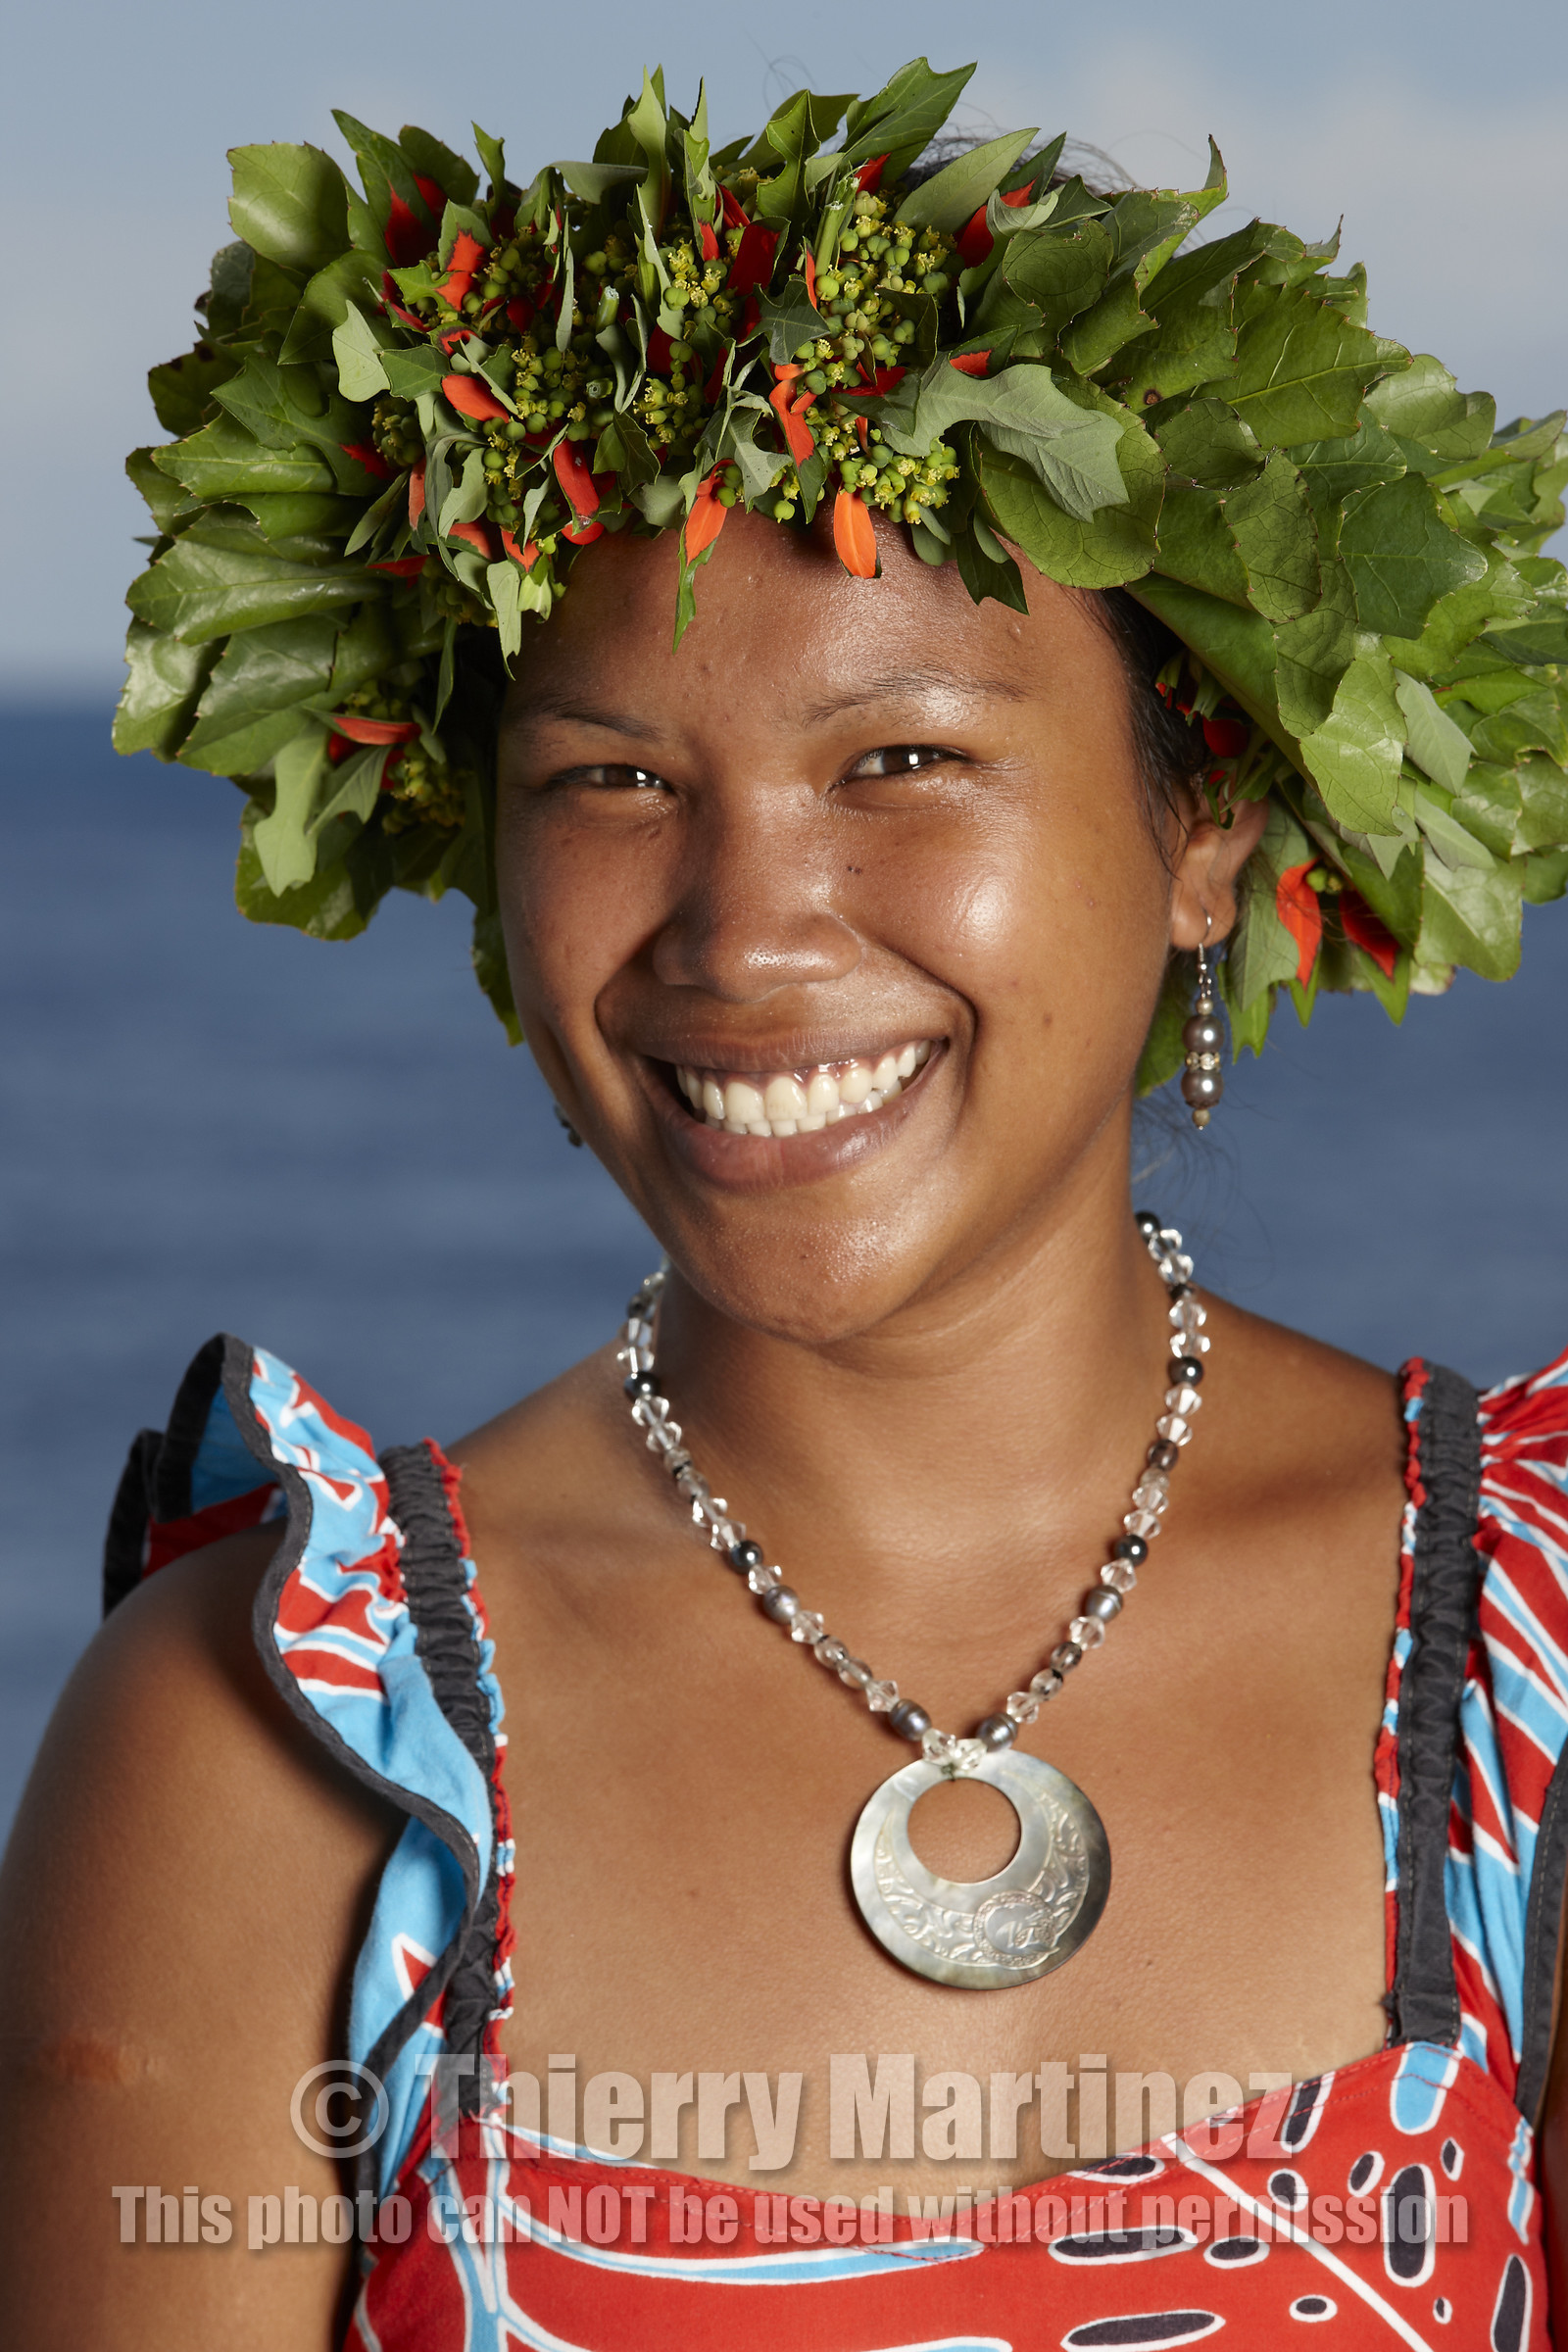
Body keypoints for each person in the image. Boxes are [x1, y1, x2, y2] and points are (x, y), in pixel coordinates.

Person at [3, 57, 1567, 2351]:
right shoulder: (275, 1750)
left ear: (1204, 821)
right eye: (613, 780)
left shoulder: (1523, 1661)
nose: (740, 931)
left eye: (901, 760)